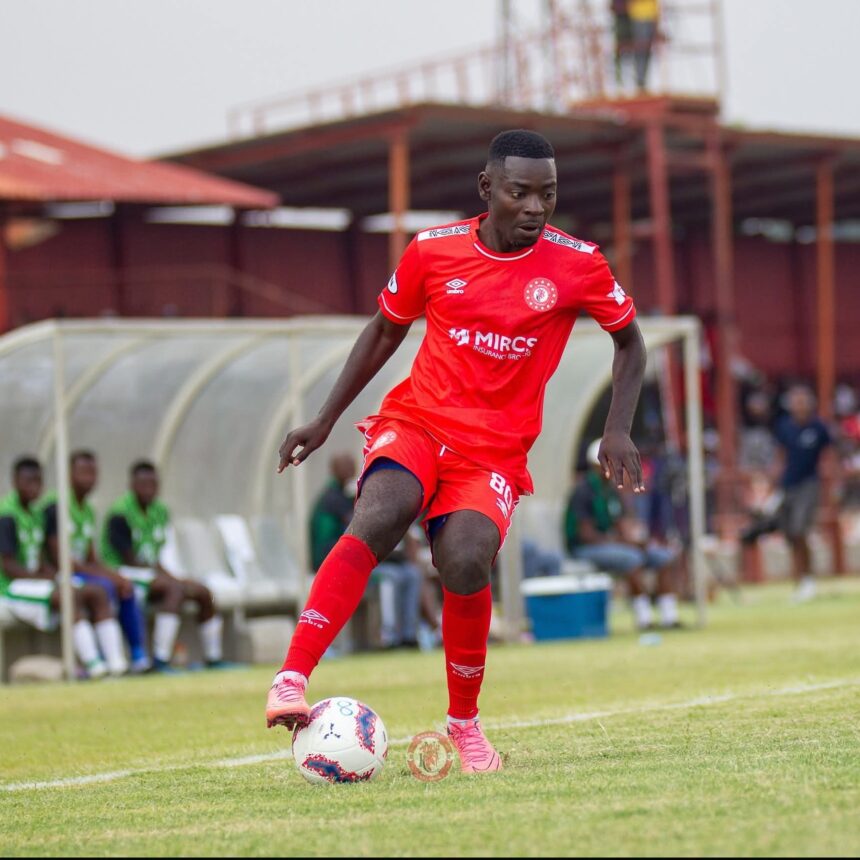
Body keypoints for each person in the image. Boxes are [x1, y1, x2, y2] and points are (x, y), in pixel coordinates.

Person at [265, 129, 647, 775]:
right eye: (520, 192)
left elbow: (631, 342)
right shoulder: (432, 251)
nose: (535, 207)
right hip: (417, 420)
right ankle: (291, 677)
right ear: (486, 188)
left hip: (493, 452)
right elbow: (384, 330)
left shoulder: (578, 264)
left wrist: (617, 428)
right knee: (382, 512)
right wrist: (324, 419)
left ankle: (464, 725)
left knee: (466, 562)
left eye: (547, 194)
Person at [0, 456, 127, 678]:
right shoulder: (6, 515)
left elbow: (37, 557)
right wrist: (45, 579)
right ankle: (95, 666)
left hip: (33, 583)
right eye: (28, 481)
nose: (34, 487)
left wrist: (50, 575)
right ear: (15, 482)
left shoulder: (35, 513)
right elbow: (8, 566)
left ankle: (117, 664)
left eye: (38, 482)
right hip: (9, 589)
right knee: (68, 595)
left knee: (96, 592)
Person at [100, 460, 225, 671]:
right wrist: (170, 579)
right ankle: (161, 659)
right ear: (132, 485)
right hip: (123, 573)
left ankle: (214, 658)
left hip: (151, 572)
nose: (149, 490)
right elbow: (130, 559)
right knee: (173, 589)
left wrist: (174, 576)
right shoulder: (119, 513)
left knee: (203, 591)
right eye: (143, 485)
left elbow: (158, 555)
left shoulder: (160, 511)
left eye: (153, 485)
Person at [42, 450, 150, 673]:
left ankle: (137, 655)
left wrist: (116, 576)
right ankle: (99, 659)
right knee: (102, 589)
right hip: (59, 575)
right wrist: (107, 578)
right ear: (68, 474)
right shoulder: (55, 506)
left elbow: (91, 558)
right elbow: (61, 560)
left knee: (125, 586)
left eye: (93, 473)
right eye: (84, 472)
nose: (90, 478)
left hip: (82, 572)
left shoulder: (88, 510)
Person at [565, 439, 680, 631]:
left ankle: (669, 616)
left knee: (663, 557)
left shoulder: (611, 490)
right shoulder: (583, 491)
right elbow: (586, 534)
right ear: (596, 465)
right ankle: (644, 618)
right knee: (631, 559)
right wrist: (623, 543)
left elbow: (621, 523)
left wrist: (636, 540)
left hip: (613, 544)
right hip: (585, 548)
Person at [773, 385, 832, 602]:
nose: (799, 406)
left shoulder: (818, 427)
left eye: (802, 401)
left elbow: (831, 453)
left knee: (800, 529)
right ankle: (799, 579)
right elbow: (780, 455)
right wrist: (774, 482)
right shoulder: (784, 426)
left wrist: (833, 484)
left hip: (809, 483)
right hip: (788, 484)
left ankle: (808, 579)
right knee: (789, 533)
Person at [375, 526, 423, 649]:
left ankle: (409, 635)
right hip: (374, 565)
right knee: (391, 576)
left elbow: (412, 546)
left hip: (396, 563)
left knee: (413, 574)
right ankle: (389, 636)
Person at [309, 453, 357, 572]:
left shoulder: (337, 491)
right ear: (335, 470)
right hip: (326, 557)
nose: (351, 470)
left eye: (351, 466)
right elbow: (356, 522)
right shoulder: (333, 496)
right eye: (346, 467)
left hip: (330, 553)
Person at [628, 0, 660, 92]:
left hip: (651, 15)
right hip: (639, 16)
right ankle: (640, 80)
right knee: (641, 50)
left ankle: (643, 80)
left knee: (647, 51)